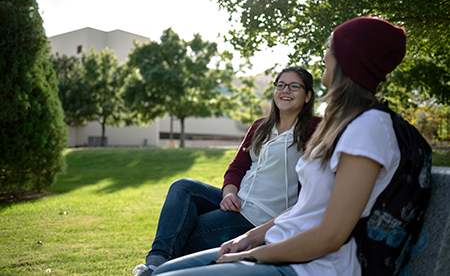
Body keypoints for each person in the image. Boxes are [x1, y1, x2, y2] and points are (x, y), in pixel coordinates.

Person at [150, 16, 408, 276]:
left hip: (300, 257)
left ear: (349, 59)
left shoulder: (358, 127)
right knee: (178, 212)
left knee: (180, 241)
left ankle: (157, 262)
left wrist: (251, 250)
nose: (323, 57)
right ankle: (156, 262)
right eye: (281, 85)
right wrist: (248, 236)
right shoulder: (337, 125)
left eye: (330, 48)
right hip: (269, 231)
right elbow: (306, 204)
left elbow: (328, 232)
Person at [132, 66, 322, 276]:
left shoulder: (316, 129)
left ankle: (155, 269)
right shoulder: (261, 126)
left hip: (259, 217)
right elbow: (237, 167)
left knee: (183, 233)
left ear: (307, 96)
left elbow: (314, 187)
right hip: (238, 202)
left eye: (294, 86)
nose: (286, 90)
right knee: (182, 186)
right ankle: (155, 263)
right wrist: (229, 193)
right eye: (281, 85)